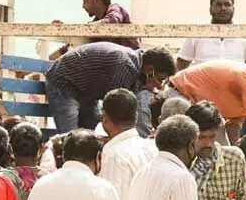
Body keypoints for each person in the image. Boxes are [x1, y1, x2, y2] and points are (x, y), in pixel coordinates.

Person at [46, 42, 175, 136]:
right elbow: (116, 109)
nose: (159, 86)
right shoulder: (124, 66)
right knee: (70, 136)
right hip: (64, 82)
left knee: (89, 131)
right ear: (150, 70)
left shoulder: (139, 71)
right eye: (160, 79)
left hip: (86, 90)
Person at [166, 61, 246, 144]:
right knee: (181, 143)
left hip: (197, 107)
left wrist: (235, 148)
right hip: (180, 95)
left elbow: (233, 125)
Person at [51, 0, 140, 60]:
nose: (83, 5)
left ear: (96, 0)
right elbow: (52, 57)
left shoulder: (115, 9)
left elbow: (112, 22)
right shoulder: (96, 23)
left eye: (85, 0)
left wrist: (76, 30)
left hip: (129, 65)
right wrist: (65, 31)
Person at [176, 0, 246, 71]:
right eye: (218, 5)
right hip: (202, 82)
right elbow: (182, 62)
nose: (223, 8)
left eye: (227, 4)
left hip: (235, 82)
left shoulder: (245, 33)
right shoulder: (198, 31)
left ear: (233, 9)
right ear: (210, 10)